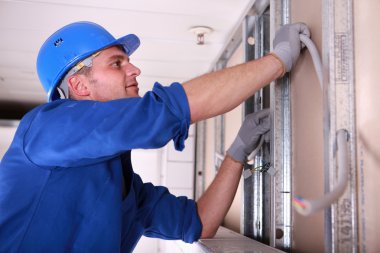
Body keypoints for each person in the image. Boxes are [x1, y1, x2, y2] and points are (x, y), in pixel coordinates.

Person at [0, 21, 309, 252]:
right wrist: (277, 61)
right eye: (117, 63)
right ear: (80, 86)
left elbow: (200, 221)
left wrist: (237, 153)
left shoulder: (125, 191)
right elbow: (164, 111)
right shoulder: (45, 128)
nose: (134, 69)